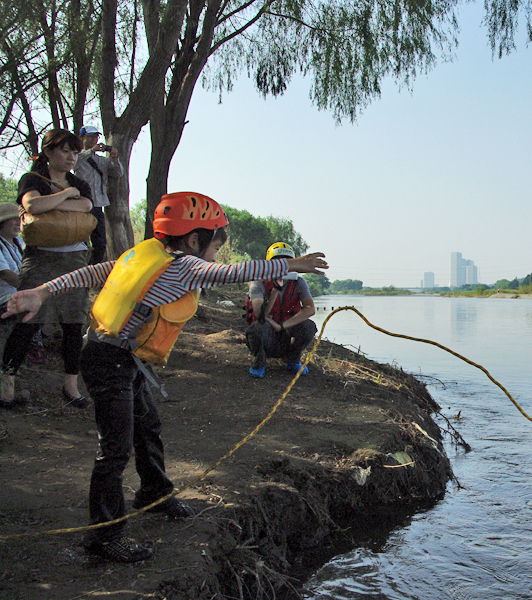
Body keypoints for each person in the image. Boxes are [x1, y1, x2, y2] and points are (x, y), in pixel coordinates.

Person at [2, 191, 327, 563]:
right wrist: (291, 265)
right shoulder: (185, 265)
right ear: (193, 240)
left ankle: (154, 495)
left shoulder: (142, 254)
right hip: (111, 361)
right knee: (114, 451)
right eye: (216, 245)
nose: (217, 254)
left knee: (148, 425)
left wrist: (44, 290)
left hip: (121, 358)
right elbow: (231, 273)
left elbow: (92, 271)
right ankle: (106, 537)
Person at [1, 128, 94, 407]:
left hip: (76, 260)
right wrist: (67, 196)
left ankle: (71, 387)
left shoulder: (81, 182)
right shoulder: (32, 179)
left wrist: (53, 203)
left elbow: (88, 206)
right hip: (40, 258)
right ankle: (6, 386)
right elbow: (31, 204)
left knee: (73, 324)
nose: (71, 157)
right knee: (29, 320)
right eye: (65, 150)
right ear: (49, 151)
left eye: (75, 152)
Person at [245, 242, 317, 378]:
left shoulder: (299, 282)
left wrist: (281, 326)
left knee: (309, 326)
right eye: (277, 263)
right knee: (257, 327)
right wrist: (275, 290)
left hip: (285, 332)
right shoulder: (258, 283)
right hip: (265, 334)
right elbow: (260, 315)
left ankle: (292, 360)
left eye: (287, 262)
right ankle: (259, 362)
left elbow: (310, 309)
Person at [74, 125, 123, 265]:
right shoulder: (77, 156)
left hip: (98, 205)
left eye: (96, 137)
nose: (94, 140)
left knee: (100, 244)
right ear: (82, 138)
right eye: (90, 137)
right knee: (80, 242)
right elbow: (74, 164)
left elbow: (118, 173)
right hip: (81, 205)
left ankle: (91, 271)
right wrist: (91, 151)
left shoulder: (101, 160)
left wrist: (114, 157)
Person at [0, 203, 22, 407]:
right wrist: (34, 289)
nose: (17, 222)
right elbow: (6, 275)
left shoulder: (20, 243)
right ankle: (7, 387)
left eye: (19, 218)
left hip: (19, 297)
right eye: (12, 219)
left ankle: (9, 386)